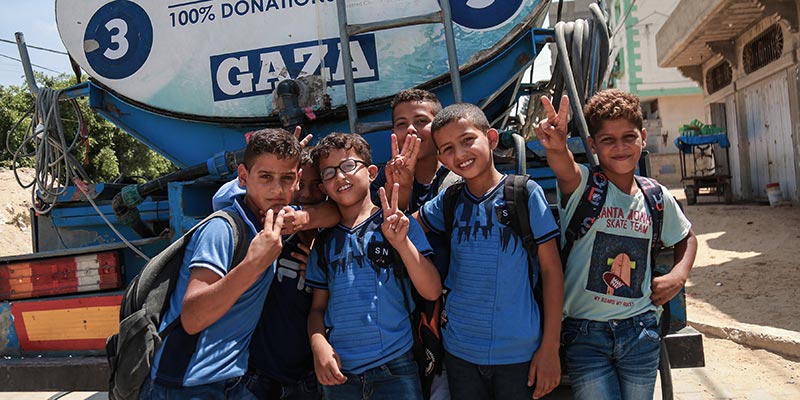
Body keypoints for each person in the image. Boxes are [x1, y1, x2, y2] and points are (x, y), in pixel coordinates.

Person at [536, 89, 698, 400]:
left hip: (640, 330)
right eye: (608, 140)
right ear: (593, 145)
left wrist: (679, 276)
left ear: (643, 137)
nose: (620, 147)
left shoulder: (656, 195)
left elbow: (687, 238)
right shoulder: (583, 185)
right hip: (585, 334)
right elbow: (563, 164)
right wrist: (556, 146)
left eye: (629, 137)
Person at [415, 103, 564, 400]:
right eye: (447, 148)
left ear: (492, 139)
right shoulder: (450, 200)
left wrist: (550, 348)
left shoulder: (524, 193)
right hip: (460, 353)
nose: (460, 154)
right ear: (441, 158)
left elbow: (551, 272)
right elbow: (403, 226)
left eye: (467, 140)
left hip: (519, 354)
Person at [139, 128, 300, 400]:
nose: (277, 189)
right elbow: (192, 317)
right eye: (265, 177)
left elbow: (329, 213)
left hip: (232, 382)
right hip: (185, 386)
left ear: (298, 181)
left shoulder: (273, 221)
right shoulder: (223, 229)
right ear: (243, 177)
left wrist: (306, 220)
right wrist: (253, 263)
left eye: (287, 178)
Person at [305, 133, 442, 400]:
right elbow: (317, 309)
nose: (340, 177)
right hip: (340, 373)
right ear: (322, 187)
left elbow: (432, 291)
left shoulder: (398, 223)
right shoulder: (323, 242)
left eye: (348, 166)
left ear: (370, 172)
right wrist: (318, 345)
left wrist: (401, 243)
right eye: (329, 173)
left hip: (396, 367)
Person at [371, 89, 457, 400]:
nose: (410, 129)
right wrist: (401, 186)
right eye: (400, 123)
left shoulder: (459, 178)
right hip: (405, 323)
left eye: (421, 121)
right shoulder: (382, 183)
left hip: (455, 317)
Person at [241, 146, 328, 400]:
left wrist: (321, 272)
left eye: (319, 184)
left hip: (309, 378)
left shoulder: (334, 239)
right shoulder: (269, 225)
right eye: (302, 184)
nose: (309, 193)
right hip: (258, 374)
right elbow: (226, 195)